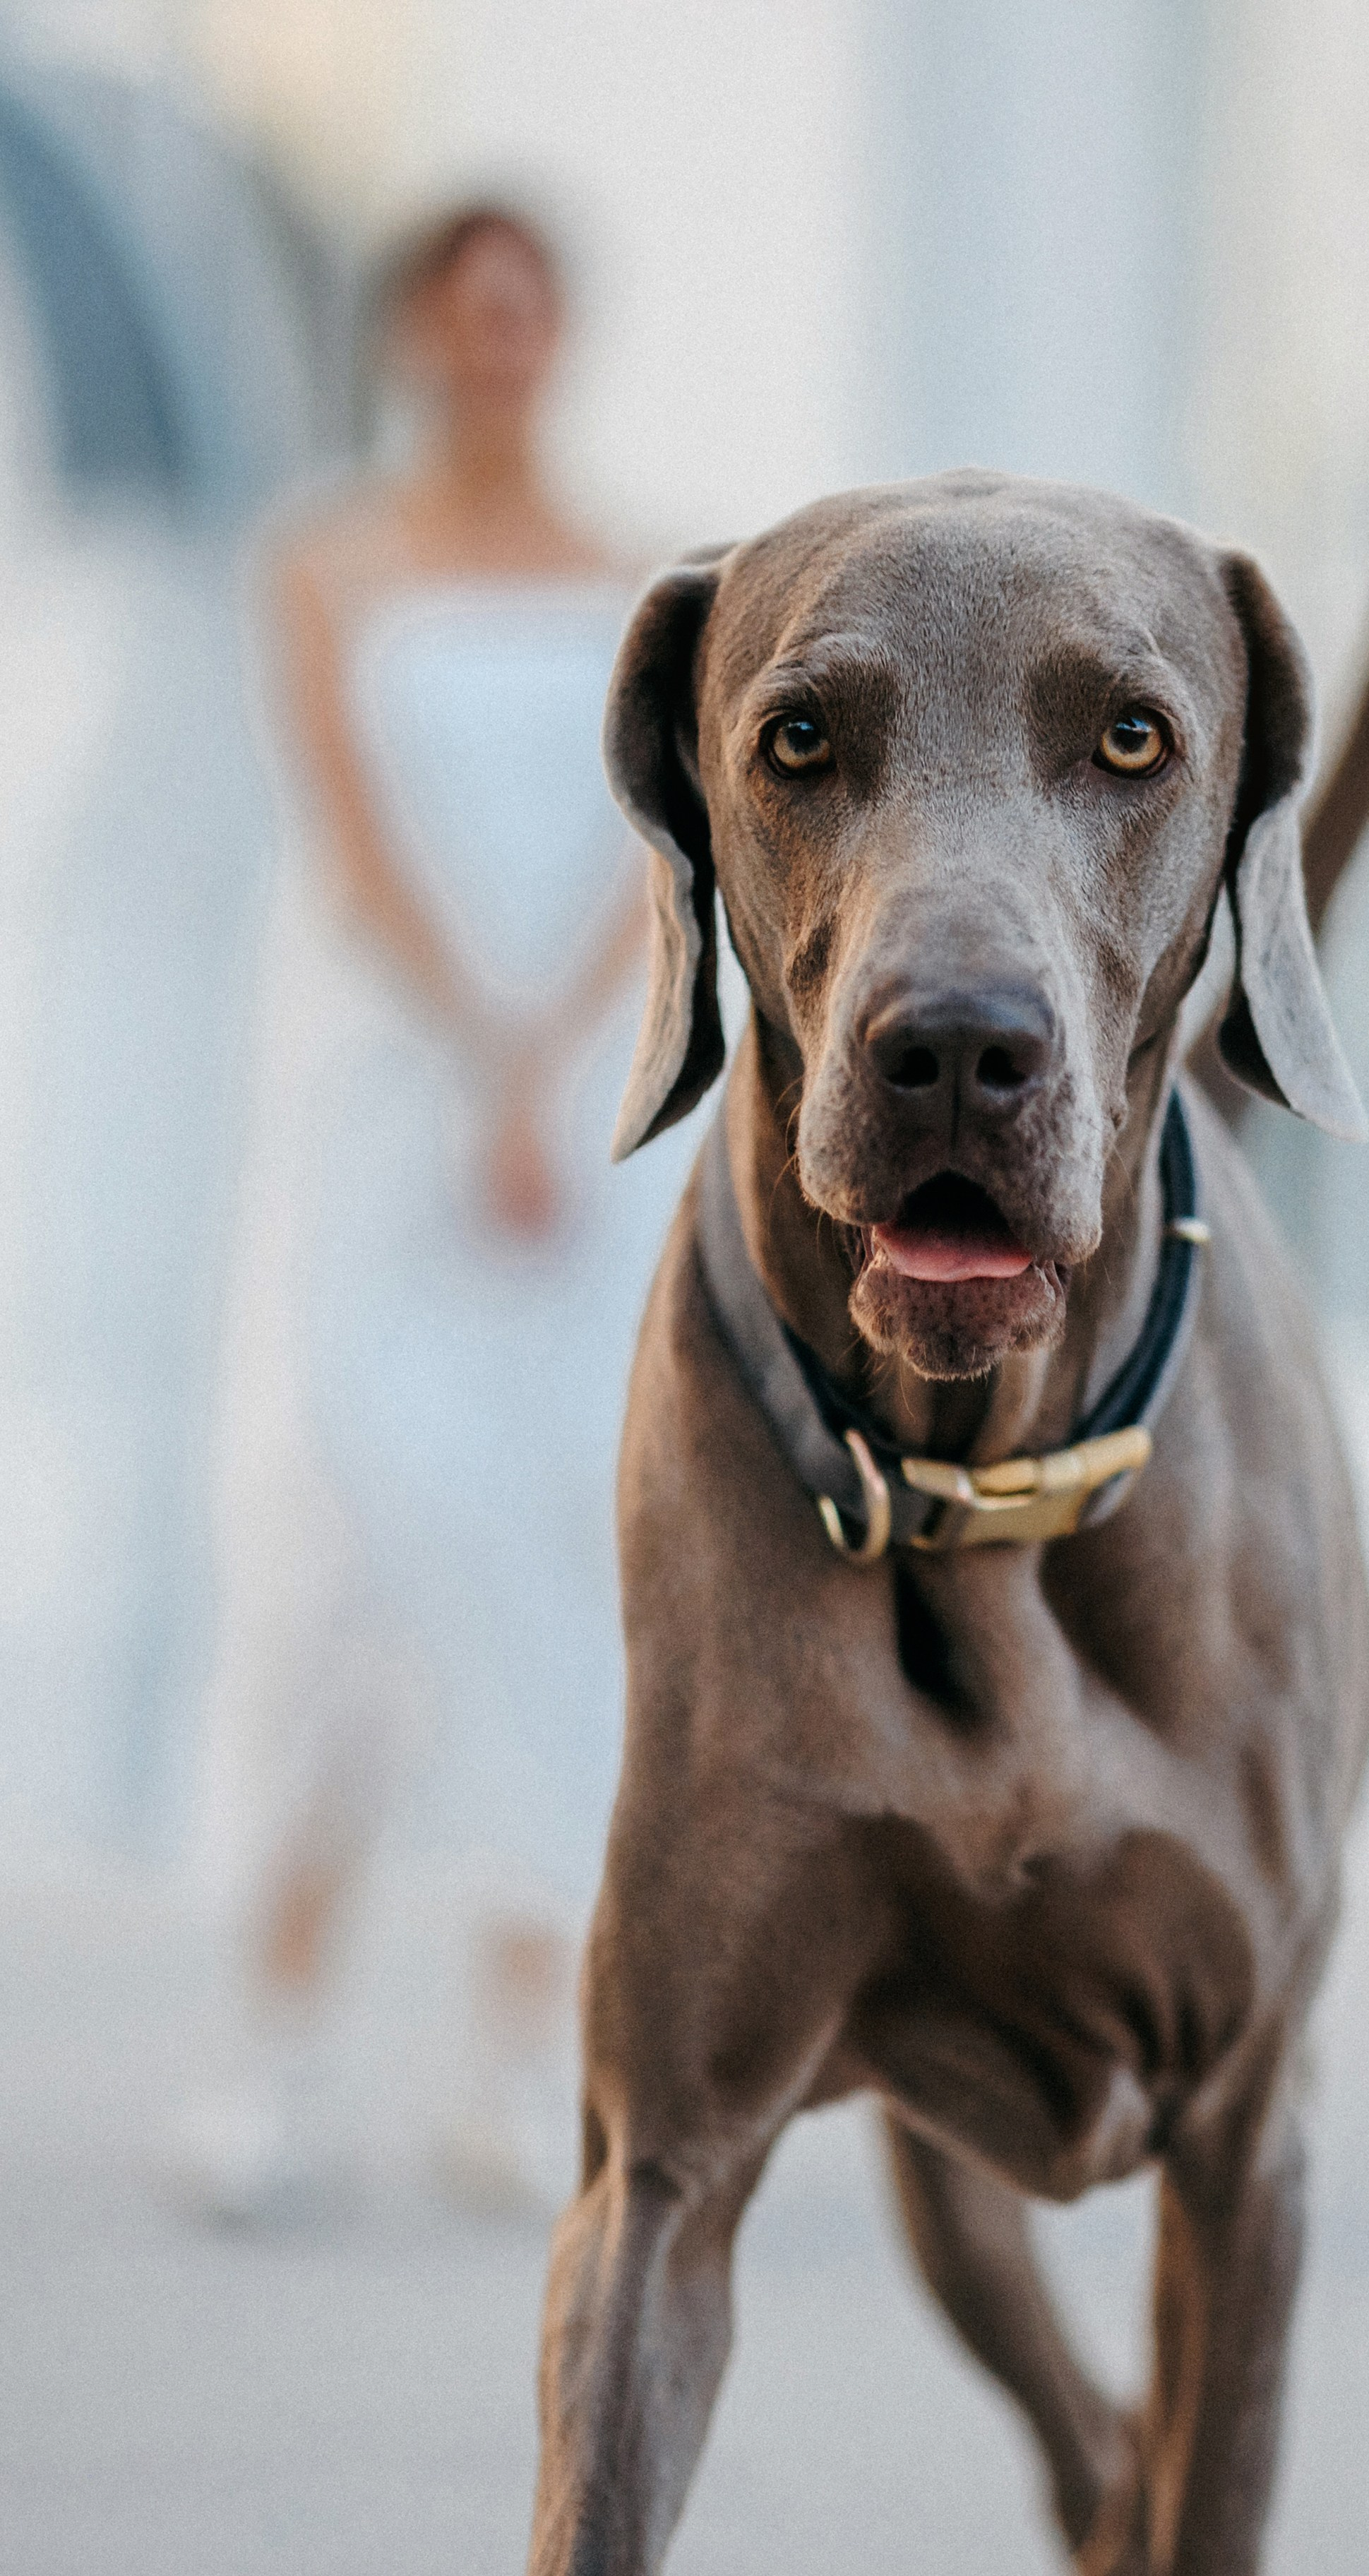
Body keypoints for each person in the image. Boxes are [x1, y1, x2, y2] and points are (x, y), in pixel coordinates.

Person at [173, 205, 679, 2219]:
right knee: (343, 1542)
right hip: (383, 1110)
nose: (498, 350)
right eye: (466, 317)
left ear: (558, 340)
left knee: (564, 1557)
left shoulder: (650, 569)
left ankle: (514, 2057)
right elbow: (353, 838)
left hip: (572, 1129)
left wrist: (557, 1076)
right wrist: (478, 1072)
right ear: (413, 336)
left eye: (527, 316)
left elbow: (663, 853)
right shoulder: (325, 557)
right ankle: (274, 2043)